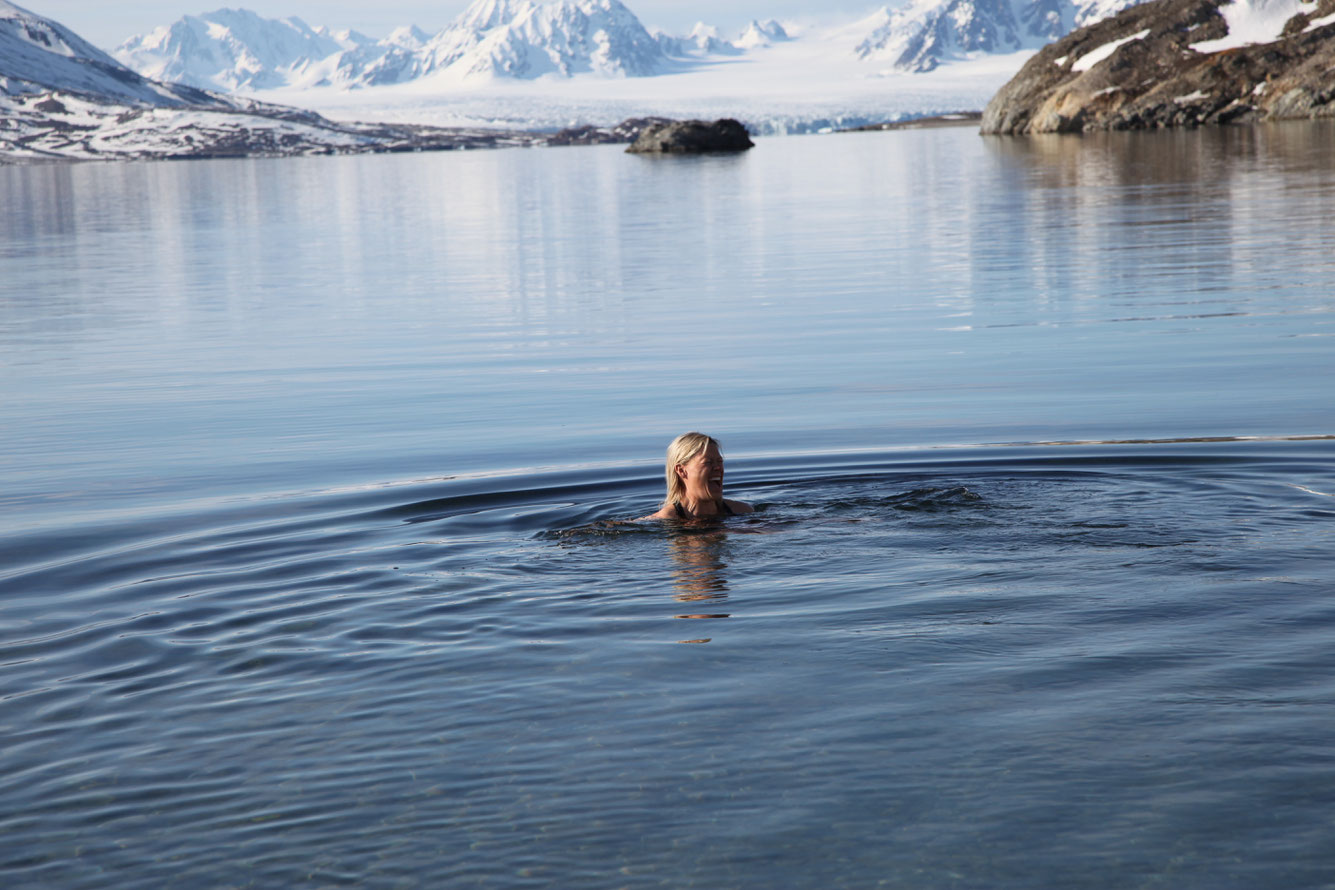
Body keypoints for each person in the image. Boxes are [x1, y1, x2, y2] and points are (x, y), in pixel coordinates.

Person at [643, 432, 754, 520]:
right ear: (681, 470)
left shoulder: (741, 510)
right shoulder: (667, 518)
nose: (718, 468)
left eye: (720, 461)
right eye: (708, 462)